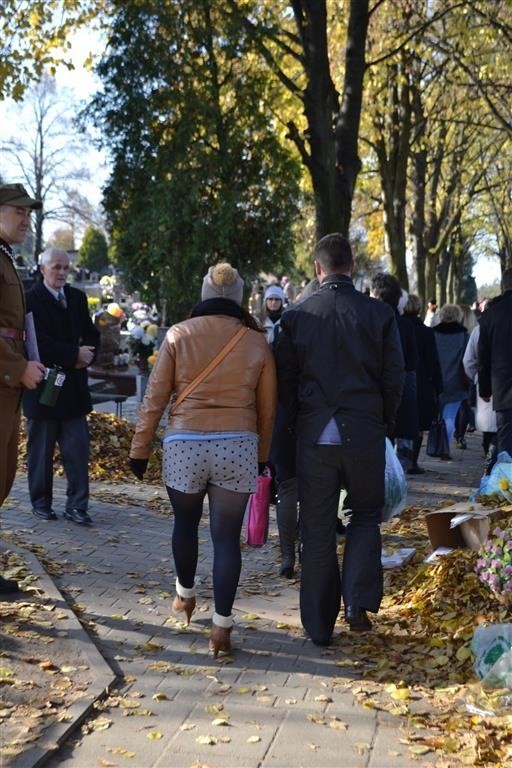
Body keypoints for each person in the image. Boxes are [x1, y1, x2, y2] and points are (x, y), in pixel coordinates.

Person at [129, 263, 277, 657]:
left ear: (203, 293)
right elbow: (267, 411)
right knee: (226, 539)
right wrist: (262, 457)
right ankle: (222, 629)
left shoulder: (178, 335)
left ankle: (185, 595)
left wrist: (139, 449)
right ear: (241, 298)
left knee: (185, 524)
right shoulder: (256, 341)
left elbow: (155, 398)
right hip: (237, 444)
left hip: (184, 444)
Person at [276, 234, 404, 646]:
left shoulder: (296, 317)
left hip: (316, 434)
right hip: (364, 429)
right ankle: (358, 602)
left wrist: (295, 428)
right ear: (351, 266)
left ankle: (318, 623)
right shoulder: (379, 314)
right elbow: (394, 377)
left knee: (316, 526)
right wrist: (383, 421)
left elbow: (286, 384)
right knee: (364, 515)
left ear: (318, 269)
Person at [23, 248, 100, 525]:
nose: (62, 273)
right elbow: (35, 343)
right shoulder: (30, 299)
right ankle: (41, 503)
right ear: (42, 268)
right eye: (56, 267)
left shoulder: (77, 298)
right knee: (40, 453)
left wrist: (89, 353)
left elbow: (92, 333)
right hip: (43, 388)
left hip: (74, 389)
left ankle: (77, 505)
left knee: (77, 452)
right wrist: (73, 355)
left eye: (66, 268)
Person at [0, 183, 46, 593]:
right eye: (19, 212)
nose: (25, 219)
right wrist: (17, 367)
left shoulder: (6, 258)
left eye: (29, 213)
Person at [370, 273, 418, 471]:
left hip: (372, 389)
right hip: (398, 389)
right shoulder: (406, 325)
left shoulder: (369, 319)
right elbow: (412, 362)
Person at [403, 294, 443, 474]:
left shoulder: (396, 326)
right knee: (418, 424)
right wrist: (438, 386)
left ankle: (399, 457)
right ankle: (412, 461)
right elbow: (433, 361)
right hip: (422, 382)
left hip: (400, 379)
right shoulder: (426, 332)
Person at [478, 268, 512, 456]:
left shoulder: (492, 314)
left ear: (503, 285)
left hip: (503, 388)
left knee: (506, 443)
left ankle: (506, 482)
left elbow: (483, 355)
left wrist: (484, 389)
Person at [432, 304, 470, 459]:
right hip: (456, 381)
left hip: (436, 381)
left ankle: (435, 445)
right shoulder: (464, 335)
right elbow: (467, 360)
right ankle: (444, 447)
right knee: (450, 416)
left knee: (438, 416)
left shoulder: (433, 334)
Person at [463, 321, 497, 475]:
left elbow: (468, 361)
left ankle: (489, 461)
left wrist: (475, 377)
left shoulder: (480, 330)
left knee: (489, 428)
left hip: (484, 382)